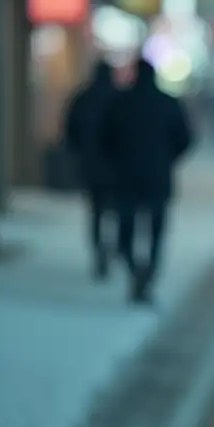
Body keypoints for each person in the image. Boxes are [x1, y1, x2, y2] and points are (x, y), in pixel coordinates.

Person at [102, 57, 193, 303]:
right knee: (155, 230)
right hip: (157, 176)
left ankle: (134, 269)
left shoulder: (120, 102)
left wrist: (117, 160)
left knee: (127, 228)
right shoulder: (168, 102)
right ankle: (149, 272)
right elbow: (185, 139)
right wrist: (166, 158)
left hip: (126, 177)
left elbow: (105, 139)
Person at [64, 60, 117, 279]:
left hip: (91, 164)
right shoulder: (119, 99)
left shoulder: (83, 98)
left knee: (96, 213)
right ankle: (114, 250)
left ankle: (99, 253)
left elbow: (70, 130)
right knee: (116, 212)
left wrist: (78, 154)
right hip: (116, 167)